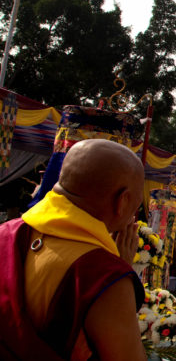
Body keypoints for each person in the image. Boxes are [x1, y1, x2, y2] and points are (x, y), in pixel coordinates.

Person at [0, 139, 146, 360]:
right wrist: (119, 272)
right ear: (123, 201)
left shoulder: (5, 233)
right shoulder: (103, 275)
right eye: (136, 204)